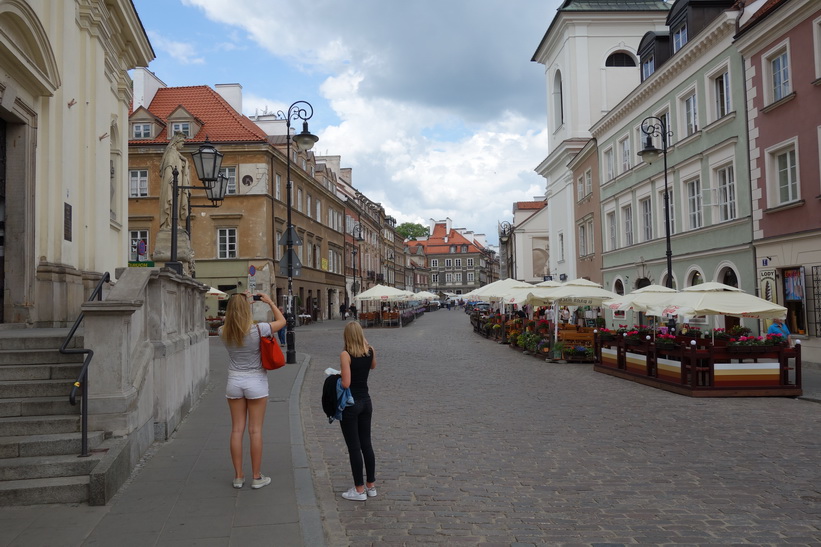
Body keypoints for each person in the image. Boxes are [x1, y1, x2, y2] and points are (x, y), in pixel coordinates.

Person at [220, 292, 286, 490]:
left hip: (234, 381)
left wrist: (238, 301)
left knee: (236, 430)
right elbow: (282, 321)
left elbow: (233, 319)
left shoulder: (223, 331)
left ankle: (238, 476)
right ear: (246, 309)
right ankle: (256, 476)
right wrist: (269, 302)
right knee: (255, 430)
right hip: (256, 381)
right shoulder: (259, 329)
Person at [338, 321, 378, 501]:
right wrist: (365, 343)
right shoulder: (370, 350)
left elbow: (346, 383)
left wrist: (337, 376)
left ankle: (359, 489)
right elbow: (373, 366)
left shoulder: (345, 355)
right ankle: (371, 485)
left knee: (354, 447)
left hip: (351, 404)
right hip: (366, 402)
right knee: (366, 444)